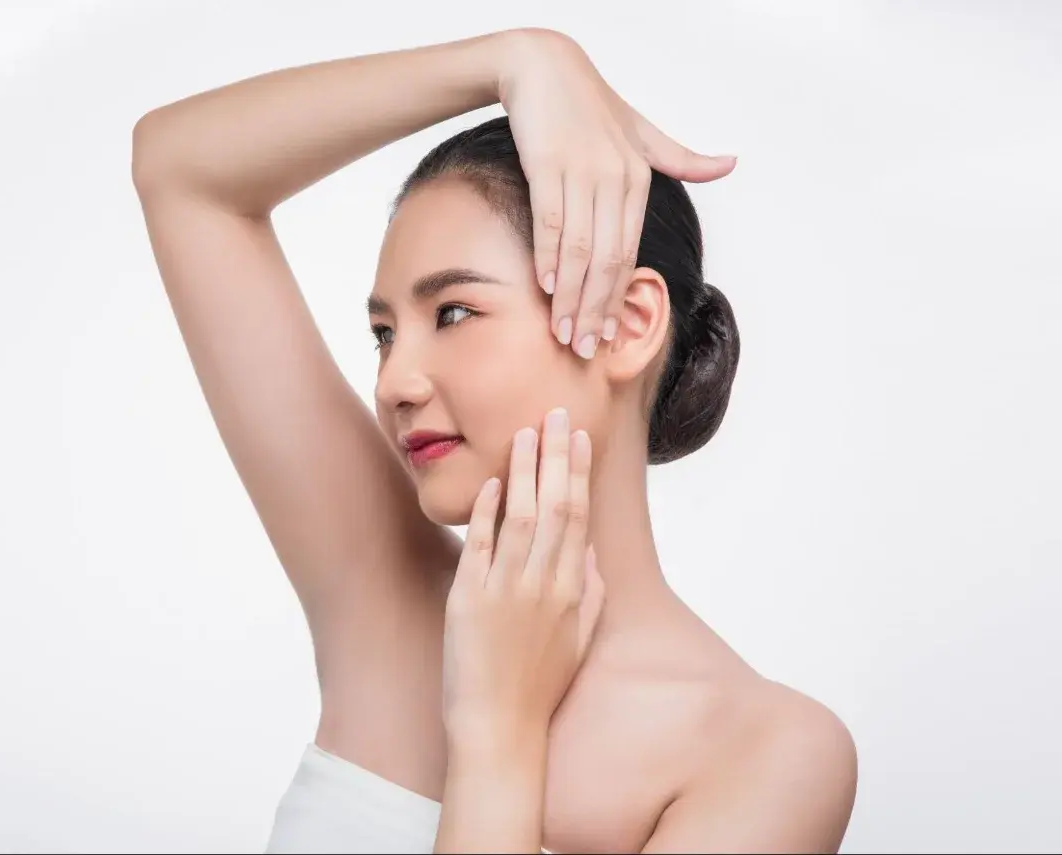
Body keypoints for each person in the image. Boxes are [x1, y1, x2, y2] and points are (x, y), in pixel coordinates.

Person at [131, 27, 858, 854]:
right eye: (383, 333)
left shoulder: (767, 756)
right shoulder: (384, 598)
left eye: (453, 312)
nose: (395, 382)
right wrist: (513, 61)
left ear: (628, 325)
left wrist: (499, 729)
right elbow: (180, 169)